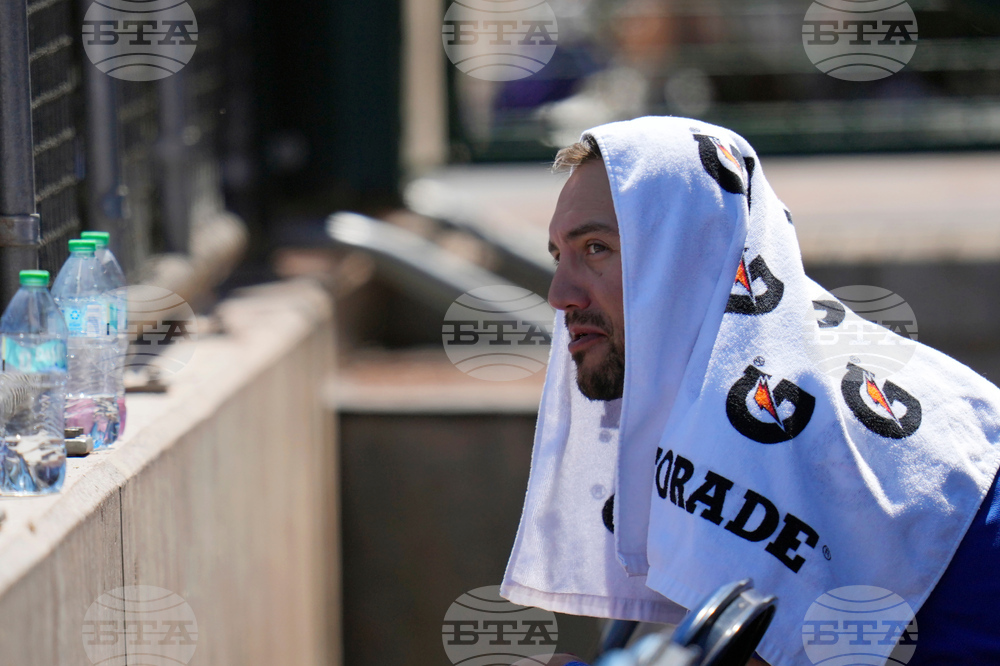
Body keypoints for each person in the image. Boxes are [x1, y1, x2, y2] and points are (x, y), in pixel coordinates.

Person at [501, 116, 1000, 666]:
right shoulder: (773, 367)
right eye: (558, 255)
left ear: (689, 253)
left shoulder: (786, 414)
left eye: (595, 248)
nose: (559, 295)